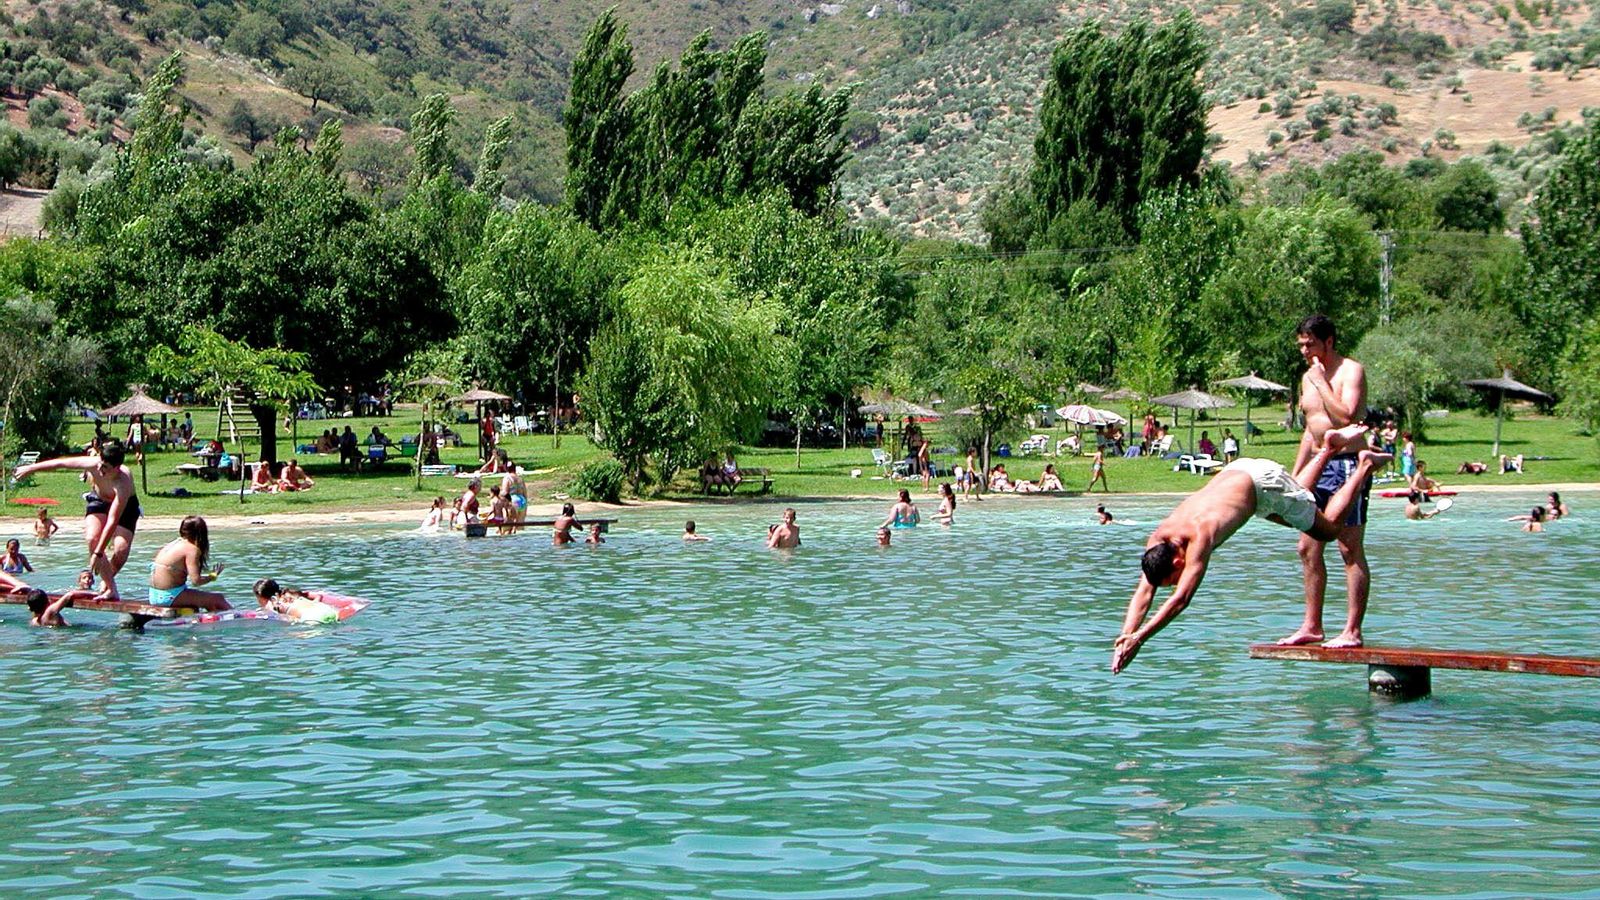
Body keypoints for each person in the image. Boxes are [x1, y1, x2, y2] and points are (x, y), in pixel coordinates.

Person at [1113, 425, 1387, 673]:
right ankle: (1328, 448)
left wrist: (1140, 639)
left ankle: (1363, 466)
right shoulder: (1159, 538)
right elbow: (1144, 591)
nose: (1177, 582)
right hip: (1240, 475)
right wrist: (1126, 634)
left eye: (1174, 578)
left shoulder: (1200, 535)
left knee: (1328, 530)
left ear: (1176, 563)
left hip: (1263, 486)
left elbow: (1181, 600)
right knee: (1296, 496)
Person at [1286, 314, 1373, 651]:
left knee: (1348, 548)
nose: (1305, 351)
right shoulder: (1308, 377)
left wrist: (1322, 383)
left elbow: (1348, 418)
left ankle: (1352, 630)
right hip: (1318, 465)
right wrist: (1295, 476)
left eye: (1311, 344)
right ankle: (1312, 625)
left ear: (1329, 341)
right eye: (1302, 345)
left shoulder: (1351, 371)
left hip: (1349, 464)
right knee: (1307, 547)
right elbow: (1312, 428)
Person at [15, 440, 140, 601]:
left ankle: (106, 580)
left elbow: (112, 520)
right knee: (92, 538)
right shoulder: (93, 463)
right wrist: (31, 468)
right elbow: (61, 463)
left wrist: (98, 553)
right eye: (100, 464)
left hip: (126, 508)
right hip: (99, 500)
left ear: (117, 468)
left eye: (105, 468)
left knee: (121, 550)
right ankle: (111, 588)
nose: (99, 470)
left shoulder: (123, 483)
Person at [147, 516, 230, 611]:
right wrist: (212, 576)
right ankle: (238, 618)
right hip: (169, 596)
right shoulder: (191, 550)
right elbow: (196, 581)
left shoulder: (174, 543)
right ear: (201, 533)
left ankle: (213, 621)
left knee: (208, 602)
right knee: (218, 598)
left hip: (154, 595)